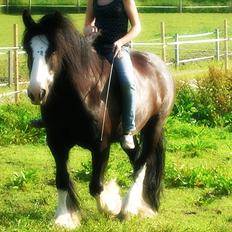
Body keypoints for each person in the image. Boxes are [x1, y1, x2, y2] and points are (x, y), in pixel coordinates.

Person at [84, 0, 141, 149]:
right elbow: (86, 26)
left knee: (127, 81)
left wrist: (121, 42)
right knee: (70, 71)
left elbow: (136, 27)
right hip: (94, 47)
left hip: (117, 49)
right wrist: (89, 29)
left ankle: (128, 130)